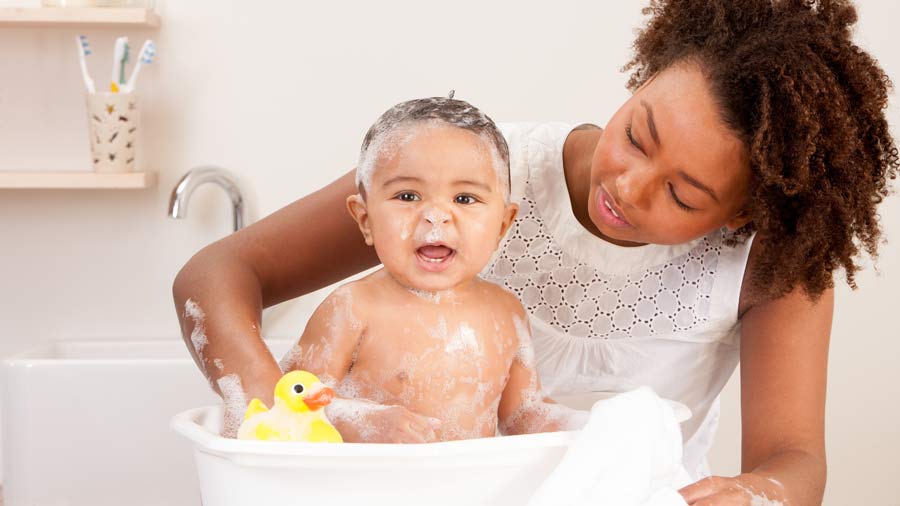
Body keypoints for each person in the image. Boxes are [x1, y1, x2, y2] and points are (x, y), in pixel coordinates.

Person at [173, 1, 898, 504]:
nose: (628, 186)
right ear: (644, 75)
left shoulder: (772, 265)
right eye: (638, 134)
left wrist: (756, 494)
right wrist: (277, 420)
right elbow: (218, 273)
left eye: (682, 196)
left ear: (742, 212)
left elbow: (794, 461)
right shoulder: (473, 176)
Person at [276, 97, 584, 442]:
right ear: (365, 219)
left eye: (464, 199)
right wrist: (362, 422)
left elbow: (523, 414)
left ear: (502, 224)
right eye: (408, 196)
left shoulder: (506, 312)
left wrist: (596, 425)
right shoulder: (352, 307)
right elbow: (290, 404)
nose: (436, 215)